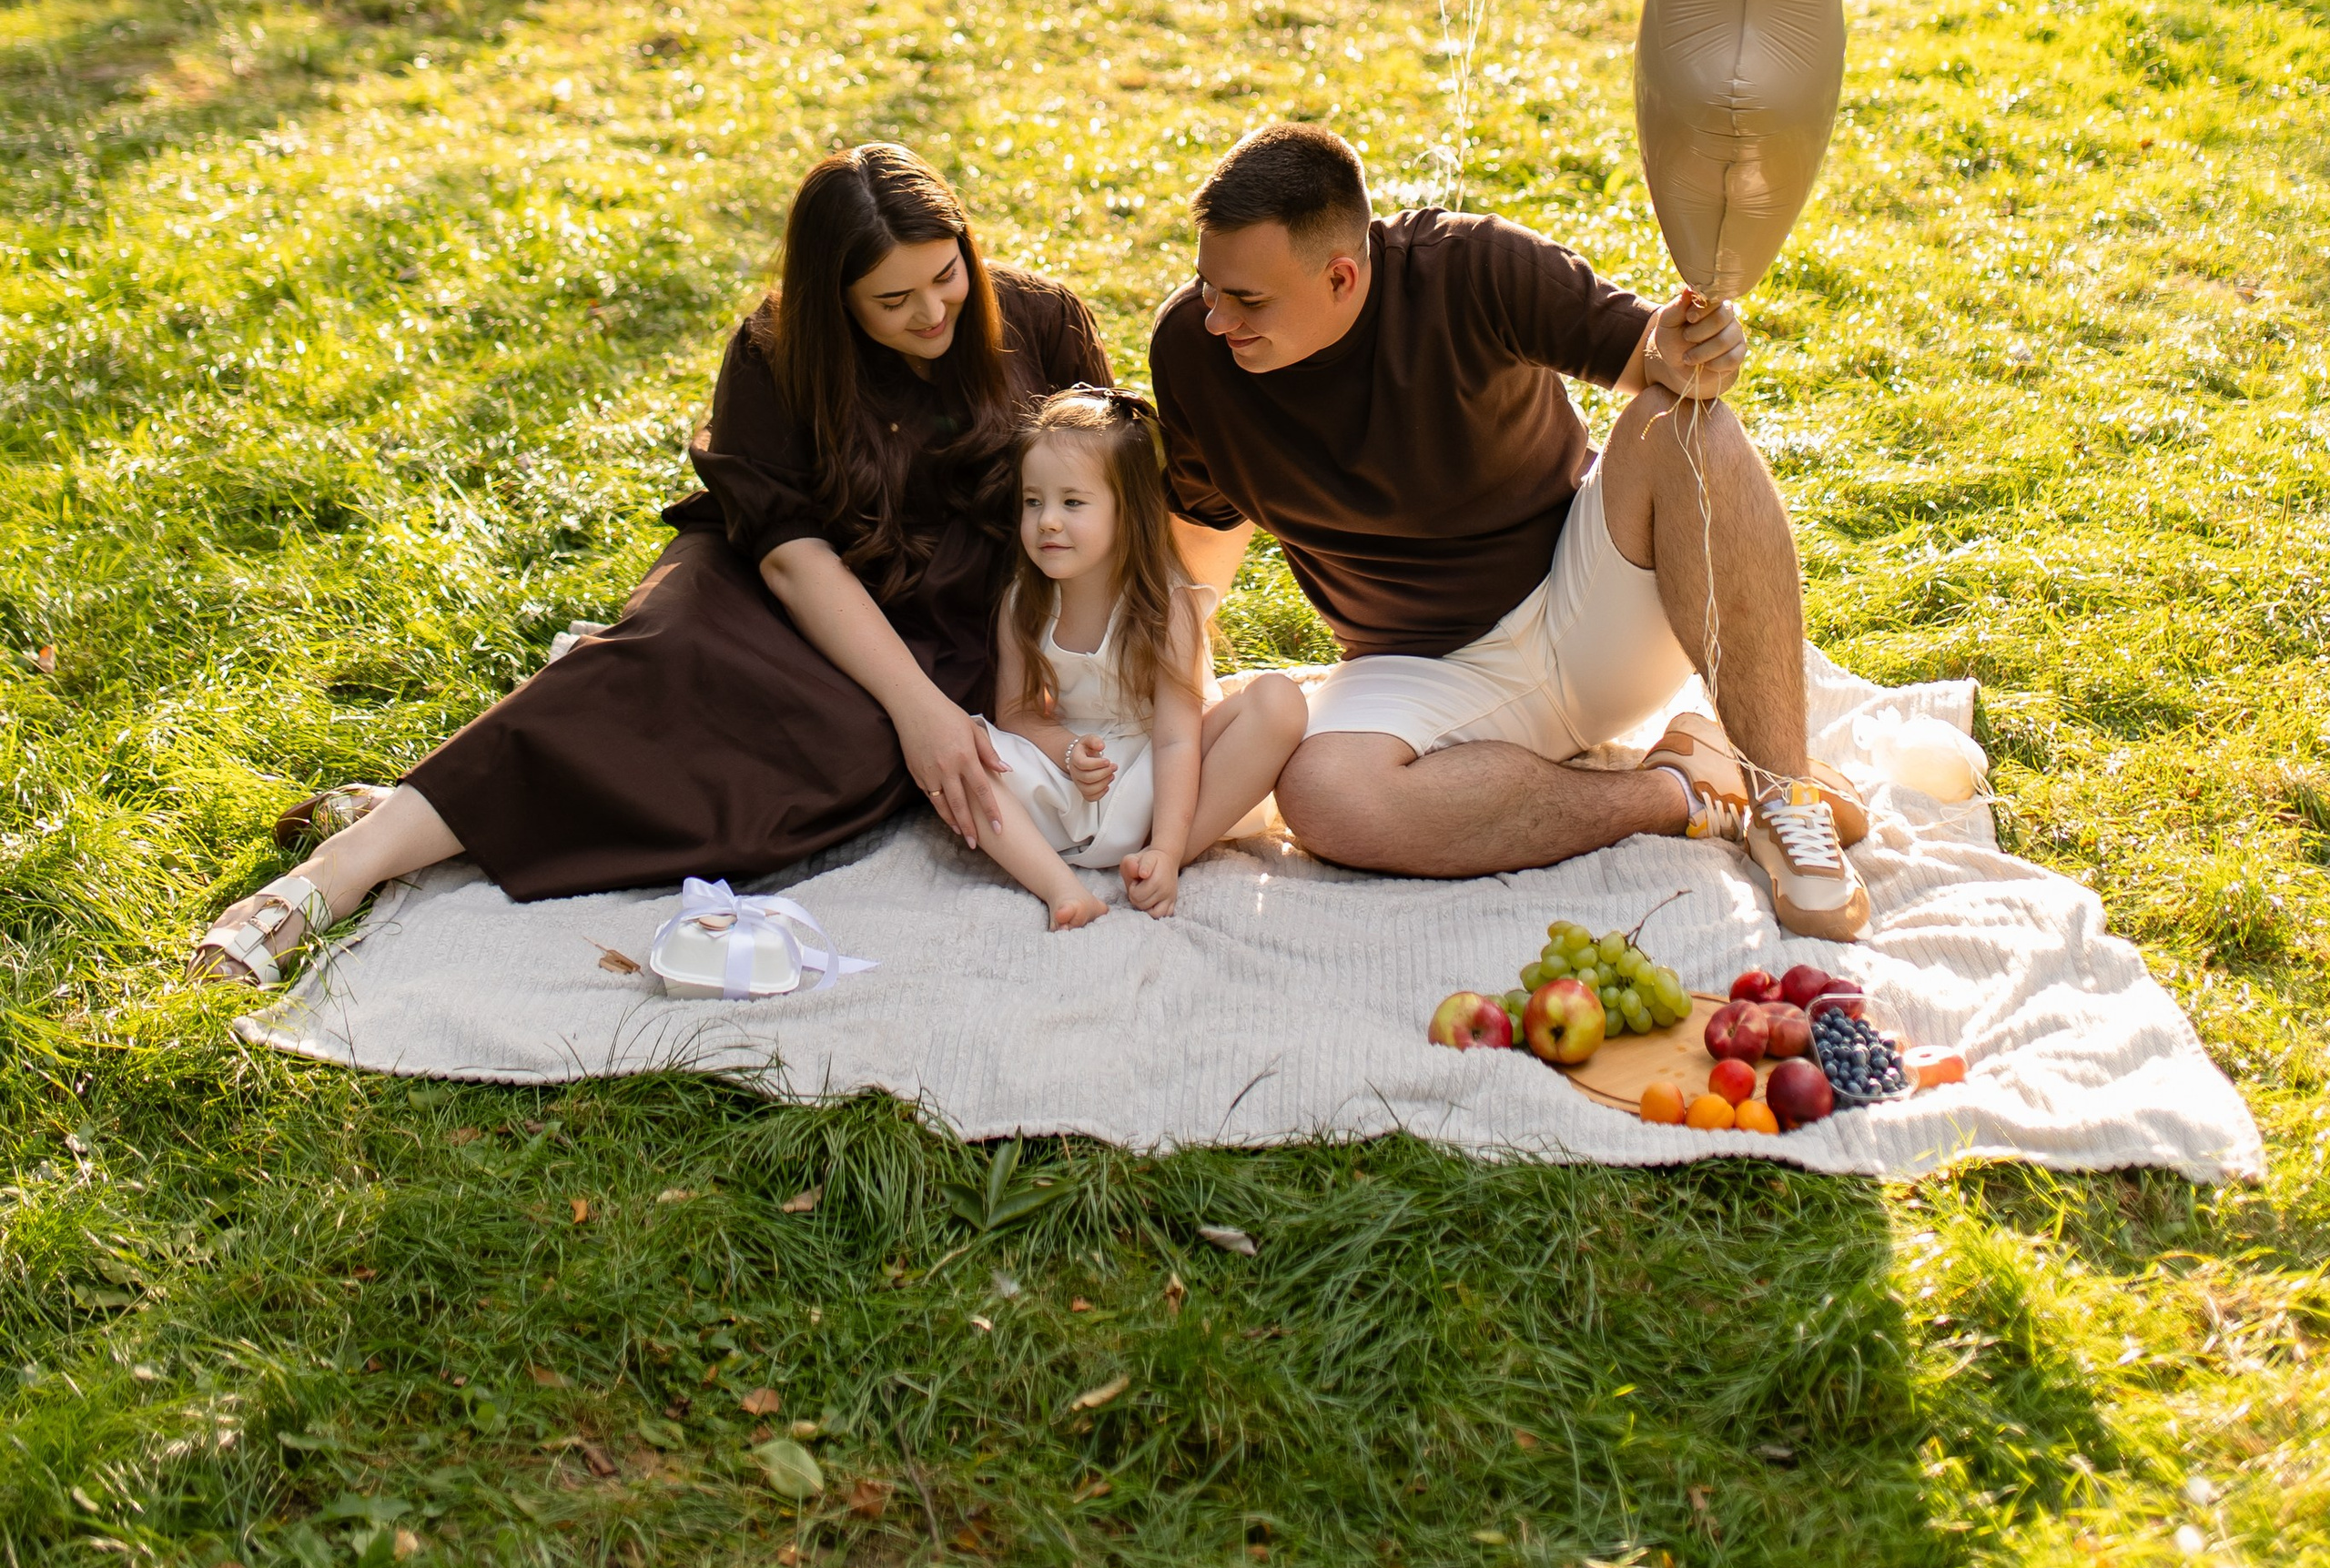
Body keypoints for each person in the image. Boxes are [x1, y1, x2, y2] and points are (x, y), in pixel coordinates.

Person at [192, 145, 1109, 986]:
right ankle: (338, 873)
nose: (933, 311)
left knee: (820, 767)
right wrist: (921, 713)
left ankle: (435, 815)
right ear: (835, 301)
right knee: (663, 662)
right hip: (776, 584)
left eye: (945, 277)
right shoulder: (776, 353)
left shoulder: (1040, 321)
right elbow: (790, 555)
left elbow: (1120, 494)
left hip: (951, 621)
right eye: (892, 300)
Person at [1148, 119, 1869, 941]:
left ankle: (1783, 797)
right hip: (1415, 671)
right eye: (1209, 287)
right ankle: (1681, 790)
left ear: (1343, 276)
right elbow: (1198, 550)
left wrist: (1700, 345)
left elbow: (1659, 359)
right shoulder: (1192, 353)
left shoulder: (1471, 267)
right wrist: (1162, 710)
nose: (1216, 319)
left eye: (1247, 300)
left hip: (1585, 608)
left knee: (1687, 425)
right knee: (1323, 794)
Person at [977, 386, 1310, 926]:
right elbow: (1015, 715)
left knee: (1278, 701)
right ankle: (1060, 886)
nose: (1048, 521)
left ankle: (1159, 857)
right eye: (1033, 501)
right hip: (1079, 778)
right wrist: (1068, 753)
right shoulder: (1023, 600)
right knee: (963, 746)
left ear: (1128, 511)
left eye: (1073, 502)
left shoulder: (1165, 606)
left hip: (1163, 782)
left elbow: (1178, 737)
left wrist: (1171, 845)